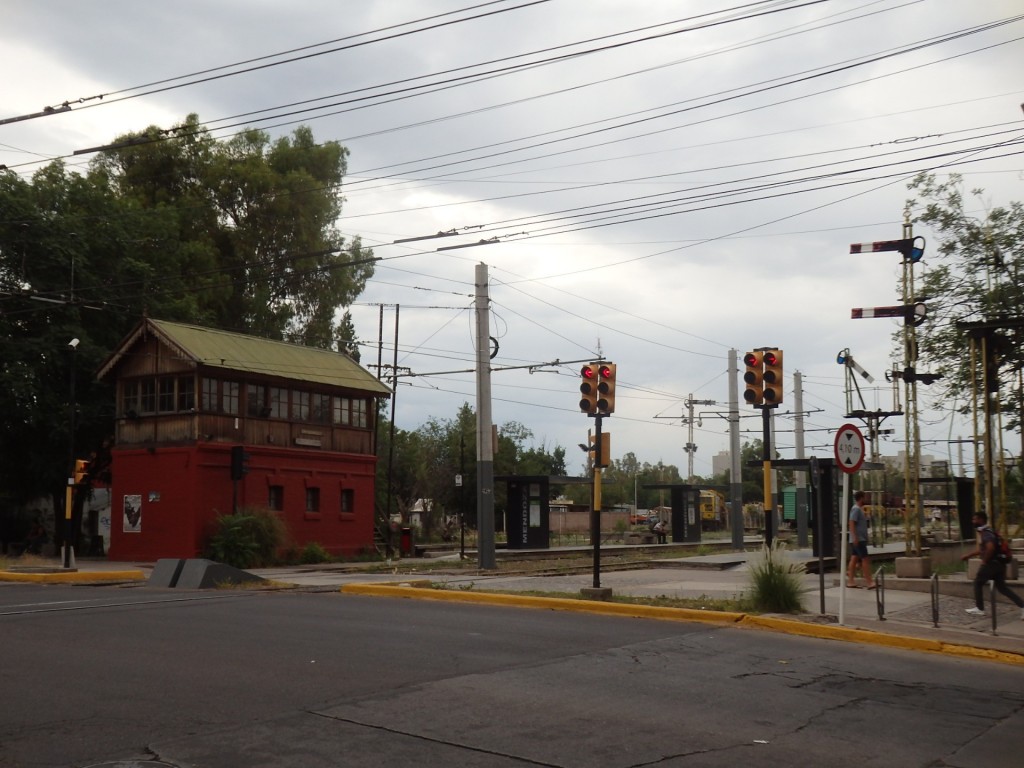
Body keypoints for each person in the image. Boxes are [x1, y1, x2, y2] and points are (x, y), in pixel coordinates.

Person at [961, 511, 1024, 619]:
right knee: (1002, 588)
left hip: (991, 564)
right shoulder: (989, 531)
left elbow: (990, 548)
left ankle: (980, 609)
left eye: (975, 519)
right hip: (1000, 564)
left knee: (977, 583)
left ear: (981, 520)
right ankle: (1023, 606)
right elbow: (982, 549)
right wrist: (968, 555)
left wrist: (985, 561)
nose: (973, 521)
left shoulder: (986, 533)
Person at [847, 490, 877, 589]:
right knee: (865, 559)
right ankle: (869, 582)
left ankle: (851, 581)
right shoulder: (856, 509)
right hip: (858, 539)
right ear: (861, 498)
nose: (866, 499)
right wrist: (855, 537)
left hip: (858, 539)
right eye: (865, 497)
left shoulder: (858, 509)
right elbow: (851, 523)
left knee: (854, 559)